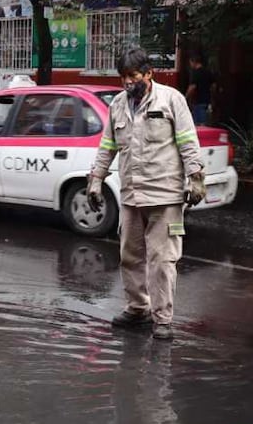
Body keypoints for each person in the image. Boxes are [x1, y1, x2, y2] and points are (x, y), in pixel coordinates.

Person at [86, 48, 206, 341]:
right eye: (123, 77)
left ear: (149, 73)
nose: (127, 82)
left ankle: (163, 320)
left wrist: (196, 179)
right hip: (131, 195)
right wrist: (95, 180)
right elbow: (108, 146)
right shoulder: (117, 104)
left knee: (162, 261)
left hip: (164, 196)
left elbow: (188, 141)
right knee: (130, 257)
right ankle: (138, 309)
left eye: (133, 76)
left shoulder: (171, 100)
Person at [185, 54, 214, 125]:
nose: (190, 65)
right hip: (207, 100)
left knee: (198, 123)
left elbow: (192, 87)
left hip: (198, 101)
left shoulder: (195, 73)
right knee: (205, 121)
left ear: (194, 62)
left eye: (190, 63)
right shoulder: (208, 72)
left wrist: (186, 97)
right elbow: (213, 86)